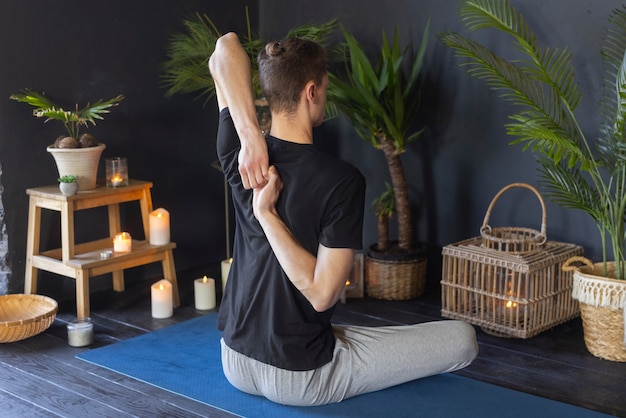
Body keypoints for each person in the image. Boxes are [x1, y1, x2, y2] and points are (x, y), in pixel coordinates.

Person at [208, 32, 478, 407]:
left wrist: (251, 135)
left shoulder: (243, 155)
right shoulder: (341, 180)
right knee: (462, 339)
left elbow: (224, 48)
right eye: (326, 88)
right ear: (311, 91)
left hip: (234, 360)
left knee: (348, 333)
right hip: (301, 378)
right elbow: (321, 295)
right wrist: (265, 213)